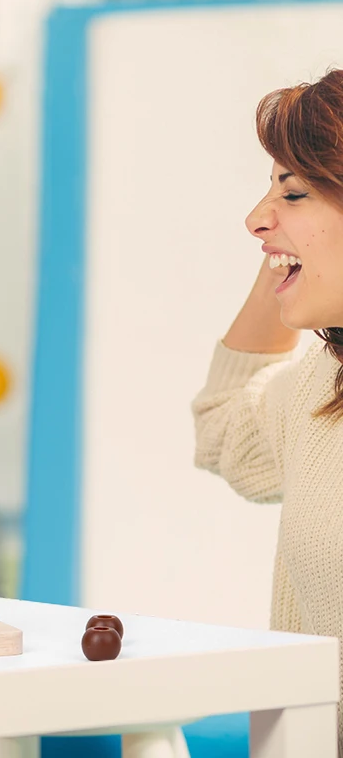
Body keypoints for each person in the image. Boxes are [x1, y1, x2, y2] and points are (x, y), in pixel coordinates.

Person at [192, 68, 343, 754]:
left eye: (293, 190)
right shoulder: (322, 384)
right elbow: (226, 430)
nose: (254, 216)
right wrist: (286, 255)